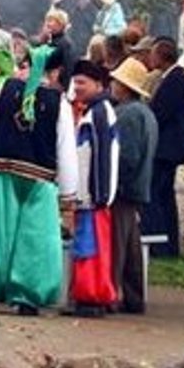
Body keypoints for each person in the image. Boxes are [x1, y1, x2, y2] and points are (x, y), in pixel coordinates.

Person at [0, 48, 75, 314]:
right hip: (40, 180)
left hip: (2, 173)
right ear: (56, 72)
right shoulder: (60, 103)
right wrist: (68, 195)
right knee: (35, 238)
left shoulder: (6, 89)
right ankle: (27, 298)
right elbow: (66, 150)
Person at [66, 59, 119, 315]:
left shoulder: (98, 113)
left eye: (82, 82)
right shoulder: (96, 110)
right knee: (89, 246)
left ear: (98, 84)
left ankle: (92, 295)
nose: (77, 87)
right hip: (90, 194)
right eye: (75, 82)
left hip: (93, 195)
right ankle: (91, 294)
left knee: (90, 248)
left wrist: (99, 194)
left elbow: (102, 157)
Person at [105, 58, 155, 313]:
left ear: (124, 86)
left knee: (117, 245)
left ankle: (109, 294)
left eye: (116, 81)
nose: (112, 84)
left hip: (123, 189)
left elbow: (126, 157)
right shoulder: (145, 113)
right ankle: (134, 298)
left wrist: (113, 184)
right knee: (132, 245)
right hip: (138, 187)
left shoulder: (126, 115)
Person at [143, 39, 184, 257]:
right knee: (163, 194)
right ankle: (166, 243)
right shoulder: (171, 78)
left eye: (153, 55)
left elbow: (161, 112)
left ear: (162, 56)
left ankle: (160, 242)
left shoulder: (175, 79)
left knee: (157, 193)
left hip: (166, 146)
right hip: (167, 145)